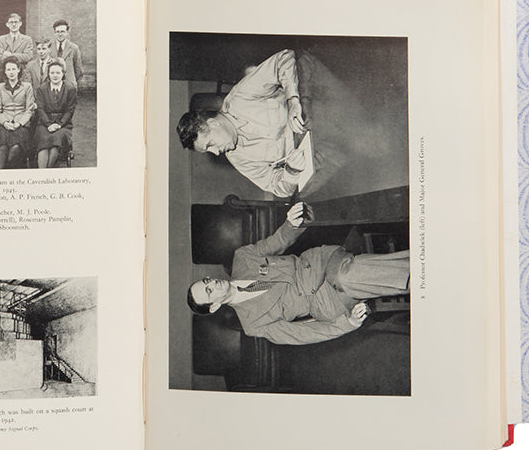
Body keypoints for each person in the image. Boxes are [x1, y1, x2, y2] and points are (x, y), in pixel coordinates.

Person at [187, 202, 410, 346]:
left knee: (346, 277)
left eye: (206, 281)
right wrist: (347, 323)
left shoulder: (243, 257)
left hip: (320, 265)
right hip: (326, 303)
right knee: (350, 277)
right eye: (209, 291)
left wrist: (291, 224)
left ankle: (415, 276)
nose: (212, 283)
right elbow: (304, 334)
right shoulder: (253, 324)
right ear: (214, 306)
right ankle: (416, 267)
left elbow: (277, 241)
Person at [176, 49, 309, 198]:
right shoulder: (238, 158)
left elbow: (284, 58)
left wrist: (292, 100)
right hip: (312, 154)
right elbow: (278, 188)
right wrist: (292, 171)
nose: (216, 153)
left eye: (210, 145)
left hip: (311, 110)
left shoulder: (241, 97)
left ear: (213, 123)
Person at [0, 57, 36, 169]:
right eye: (8, 69)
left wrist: (19, 123)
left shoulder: (27, 87)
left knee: (15, 149)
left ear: (18, 70)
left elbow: (29, 109)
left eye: (13, 69)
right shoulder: (0, 87)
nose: (11, 72)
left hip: (21, 123)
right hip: (4, 123)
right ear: (5, 72)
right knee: (2, 147)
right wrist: (4, 123)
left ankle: (9, 172)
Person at [34, 59, 76, 168]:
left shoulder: (70, 89)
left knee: (55, 145)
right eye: (52, 73)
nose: (55, 75)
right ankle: (43, 173)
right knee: (43, 145)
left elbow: (70, 110)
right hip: (44, 124)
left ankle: (47, 172)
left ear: (63, 74)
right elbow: (40, 109)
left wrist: (60, 124)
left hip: (63, 125)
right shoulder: (41, 89)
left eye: (58, 72)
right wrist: (48, 124)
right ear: (48, 74)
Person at [49, 19, 83, 88]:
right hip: (52, 86)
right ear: (54, 33)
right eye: (57, 32)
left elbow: (78, 70)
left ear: (67, 32)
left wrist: (71, 82)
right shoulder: (49, 47)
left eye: (62, 31)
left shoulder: (74, 48)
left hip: (69, 86)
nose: (60, 34)